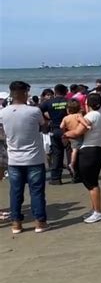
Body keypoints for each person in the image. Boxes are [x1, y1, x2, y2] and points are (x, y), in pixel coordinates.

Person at [0, 81, 49, 234]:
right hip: (34, 157)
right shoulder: (33, 111)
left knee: (15, 192)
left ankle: (16, 224)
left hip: (14, 158)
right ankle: (40, 222)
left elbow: (2, 134)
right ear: (24, 93)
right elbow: (44, 126)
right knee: (36, 191)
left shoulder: (3, 113)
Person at [64, 93, 101, 224]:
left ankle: (98, 212)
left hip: (90, 150)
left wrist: (65, 133)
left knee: (91, 183)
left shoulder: (91, 115)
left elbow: (77, 132)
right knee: (91, 182)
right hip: (97, 149)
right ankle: (95, 210)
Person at [40, 84, 69, 185]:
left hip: (55, 129)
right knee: (71, 153)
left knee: (57, 154)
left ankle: (56, 178)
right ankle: (76, 176)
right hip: (68, 130)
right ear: (65, 91)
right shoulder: (68, 101)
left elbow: (38, 110)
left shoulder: (48, 102)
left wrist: (46, 118)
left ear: (55, 92)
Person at [60, 99, 91, 177]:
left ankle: (72, 163)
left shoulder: (66, 118)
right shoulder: (78, 115)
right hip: (77, 136)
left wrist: (64, 132)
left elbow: (61, 126)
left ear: (68, 109)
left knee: (72, 149)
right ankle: (72, 163)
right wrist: (87, 126)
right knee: (75, 150)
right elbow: (82, 121)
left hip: (69, 135)